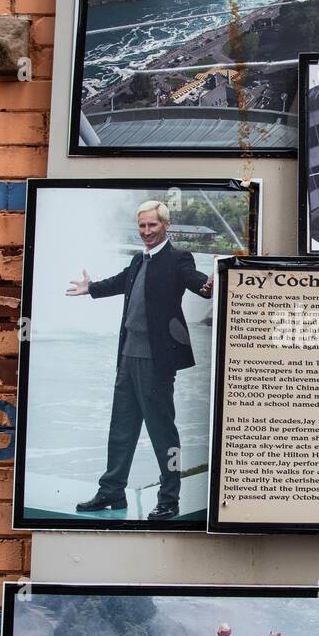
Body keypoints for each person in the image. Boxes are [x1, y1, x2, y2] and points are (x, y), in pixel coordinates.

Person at [65, 200, 213, 522]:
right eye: (142, 226)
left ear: (166, 225)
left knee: (163, 433)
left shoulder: (178, 259)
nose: (146, 232)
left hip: (157, 362)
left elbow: (195, 280)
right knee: (121, 428)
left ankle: (169, 498)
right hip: (127, 357)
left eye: (152, 226)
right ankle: (112, 491)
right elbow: (119, 282)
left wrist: (207, 285)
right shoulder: (136, 261)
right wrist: (91, 288)